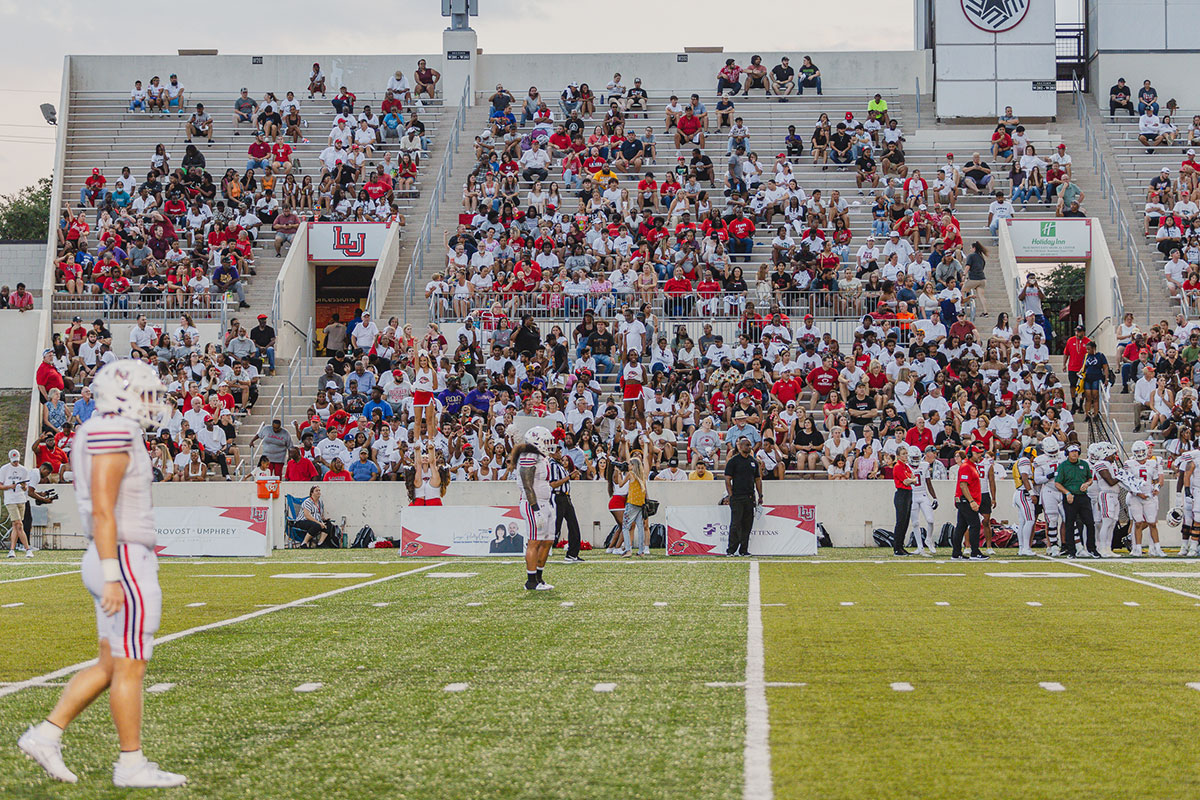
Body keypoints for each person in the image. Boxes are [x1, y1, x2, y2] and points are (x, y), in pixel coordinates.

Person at [18, 360, 186, 788]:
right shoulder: (114, 430)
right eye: (145, 392)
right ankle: (130, 765)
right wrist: (113, 571)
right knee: (130, 666)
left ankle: (45, 734)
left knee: (111, 662)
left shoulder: (94, 428)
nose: (152, 401)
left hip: (110, 552)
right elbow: (105, 506)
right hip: (122, 555)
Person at [515, 426, 555, 590]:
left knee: (547, 540)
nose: (549, 444)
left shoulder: (541, 457)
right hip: (534, 503)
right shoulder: (528, 456)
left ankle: (539, 578)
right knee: (534, 541)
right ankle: (531, 582)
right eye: (546, 440)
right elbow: (527, 485)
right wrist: (536, 509)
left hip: (545, 502)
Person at [1054, 442, 1098, 558]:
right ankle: (1071, 550)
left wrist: (1087, 484)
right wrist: (1067, 492)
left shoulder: (1084, 464)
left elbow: (1090, 478)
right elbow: (1057, 483)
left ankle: (1091, 548)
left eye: (1076, 452)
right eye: (1072, 452)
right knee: (1070, 523)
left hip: (1083, 497)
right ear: (1067, 454)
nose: (1075, 454)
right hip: (1070, 497)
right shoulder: (1063, 466)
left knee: (1090, 523)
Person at [724, 435, 763, 557]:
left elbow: (758, 479)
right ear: (740, 446)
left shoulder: (753, 462)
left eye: (750, 445)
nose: (749, 447)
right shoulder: (733, 461)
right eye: (746, 445)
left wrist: (760, 495)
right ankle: (731, 550)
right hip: (737, 496)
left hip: (750, 497)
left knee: (747, 524)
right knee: (736, 524)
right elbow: (727, 479)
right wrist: (731, 495)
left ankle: (744, 550)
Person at [1126, 440, 1163, 557]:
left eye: (1142, 451)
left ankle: (1157, 548)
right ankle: (1137, 549)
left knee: (1152, 523)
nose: (1140, 453)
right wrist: (1137, 493)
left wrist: (1157, 487)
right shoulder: (1129, 463)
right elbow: (1127, 482)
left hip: (1148, 495)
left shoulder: (1152, 463)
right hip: (1135, 496)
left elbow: (1156, 480)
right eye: (1138, 451)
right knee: (1138, 523)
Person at [952, 445, 987, 560]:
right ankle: (975, 552)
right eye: (977, 453)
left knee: (961, 526)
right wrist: (971, 501)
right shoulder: (966, 466)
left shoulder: (971, 466)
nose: (979, 455)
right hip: (965, 500)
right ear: (971, 454)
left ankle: (956, 553)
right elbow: (963, 485)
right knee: (975, 525)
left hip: (965, 500)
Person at [549, 450, 584, 563]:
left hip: (566, 498)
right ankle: (542, 549)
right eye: (557, 452)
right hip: (558, 497)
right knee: (555, 527)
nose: (560, 453)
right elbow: (553, 484)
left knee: (574, 526)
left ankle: (572, 553)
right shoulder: (553, 465)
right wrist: (569, 476)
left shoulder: (560, 466)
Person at [1, 449, 35, 558]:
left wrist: (24, 486)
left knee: (15, 525)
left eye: (17, 461)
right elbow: (0, 485)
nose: (16, 463)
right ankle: (27, 549)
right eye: (14, 461)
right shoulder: (4, 469)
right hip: (10, 500)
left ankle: (12, 550)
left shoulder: (23, 470)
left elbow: (25, 485)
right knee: (19, 524)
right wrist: (10, 487)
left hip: (21, 499)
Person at [910, 446, 939, 555]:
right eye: (914, 457)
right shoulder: (906, 467)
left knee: (930, 520)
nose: (916, 460)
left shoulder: (925, 465)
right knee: (915, 523)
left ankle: (929, 539)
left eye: (917, 457)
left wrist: (935, 497)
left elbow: (928, 483)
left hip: (922, 494)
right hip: (912, 495)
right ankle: (920, 547)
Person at [1012, 445, 1038, 556]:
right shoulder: (1025, 461)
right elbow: (1024, 477)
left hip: (1020, 493)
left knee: (1023, 522)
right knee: (1030, 520)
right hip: (1024, 493)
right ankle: (1026, 548)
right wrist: (1032, 493)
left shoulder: (1020, 460)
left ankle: (1022, 548)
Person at [890, 445, 915, 556]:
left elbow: (912, 478)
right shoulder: (898, 466)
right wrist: (912, 480)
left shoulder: (906, 466)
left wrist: (912, 480)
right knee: (900, 522)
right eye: (903, 454)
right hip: (902, 493)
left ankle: (901, 546)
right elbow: (906, 481)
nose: (906, 456)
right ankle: (897, 547)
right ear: (898, 456)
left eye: (906, 453)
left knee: (905, 521)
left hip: (908, 493)